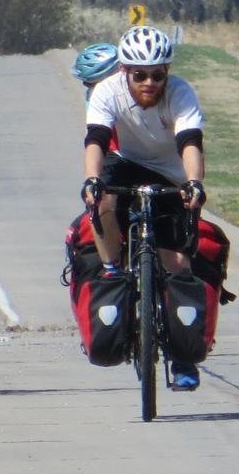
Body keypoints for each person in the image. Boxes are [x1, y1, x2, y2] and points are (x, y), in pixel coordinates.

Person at [80, 25, 207, 391]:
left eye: (158, 75)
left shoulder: (181, 94)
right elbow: (96, 140)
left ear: (168, 72)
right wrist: (91, 179)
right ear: (125, 71)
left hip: (171, 171)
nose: (149, 83)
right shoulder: (107, 91)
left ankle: (183, 356)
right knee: (101, 197)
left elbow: (190, 142)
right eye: (140, 75)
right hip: (126, 161)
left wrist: (193, 182)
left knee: (177, 264)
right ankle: (110, 271)